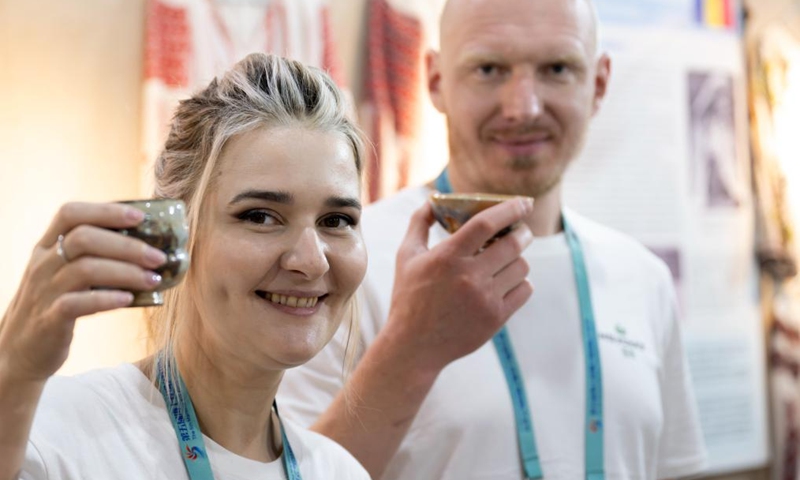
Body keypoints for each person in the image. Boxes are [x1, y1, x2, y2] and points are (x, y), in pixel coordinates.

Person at [278, 0, 708, 479]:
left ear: (599, 83)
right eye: (488, 69)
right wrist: (411, 347)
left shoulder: (643, 278)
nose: (522, 107)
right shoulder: (339, 264)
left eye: (557, 68)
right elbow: (293, 472)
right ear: (436, 80)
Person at [0, 53, 378, 479]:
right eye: (259, 216)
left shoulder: (339, 472)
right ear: (177, 235)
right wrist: (14, 369)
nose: (310, 261)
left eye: (337, 221)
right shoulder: (55, 435)